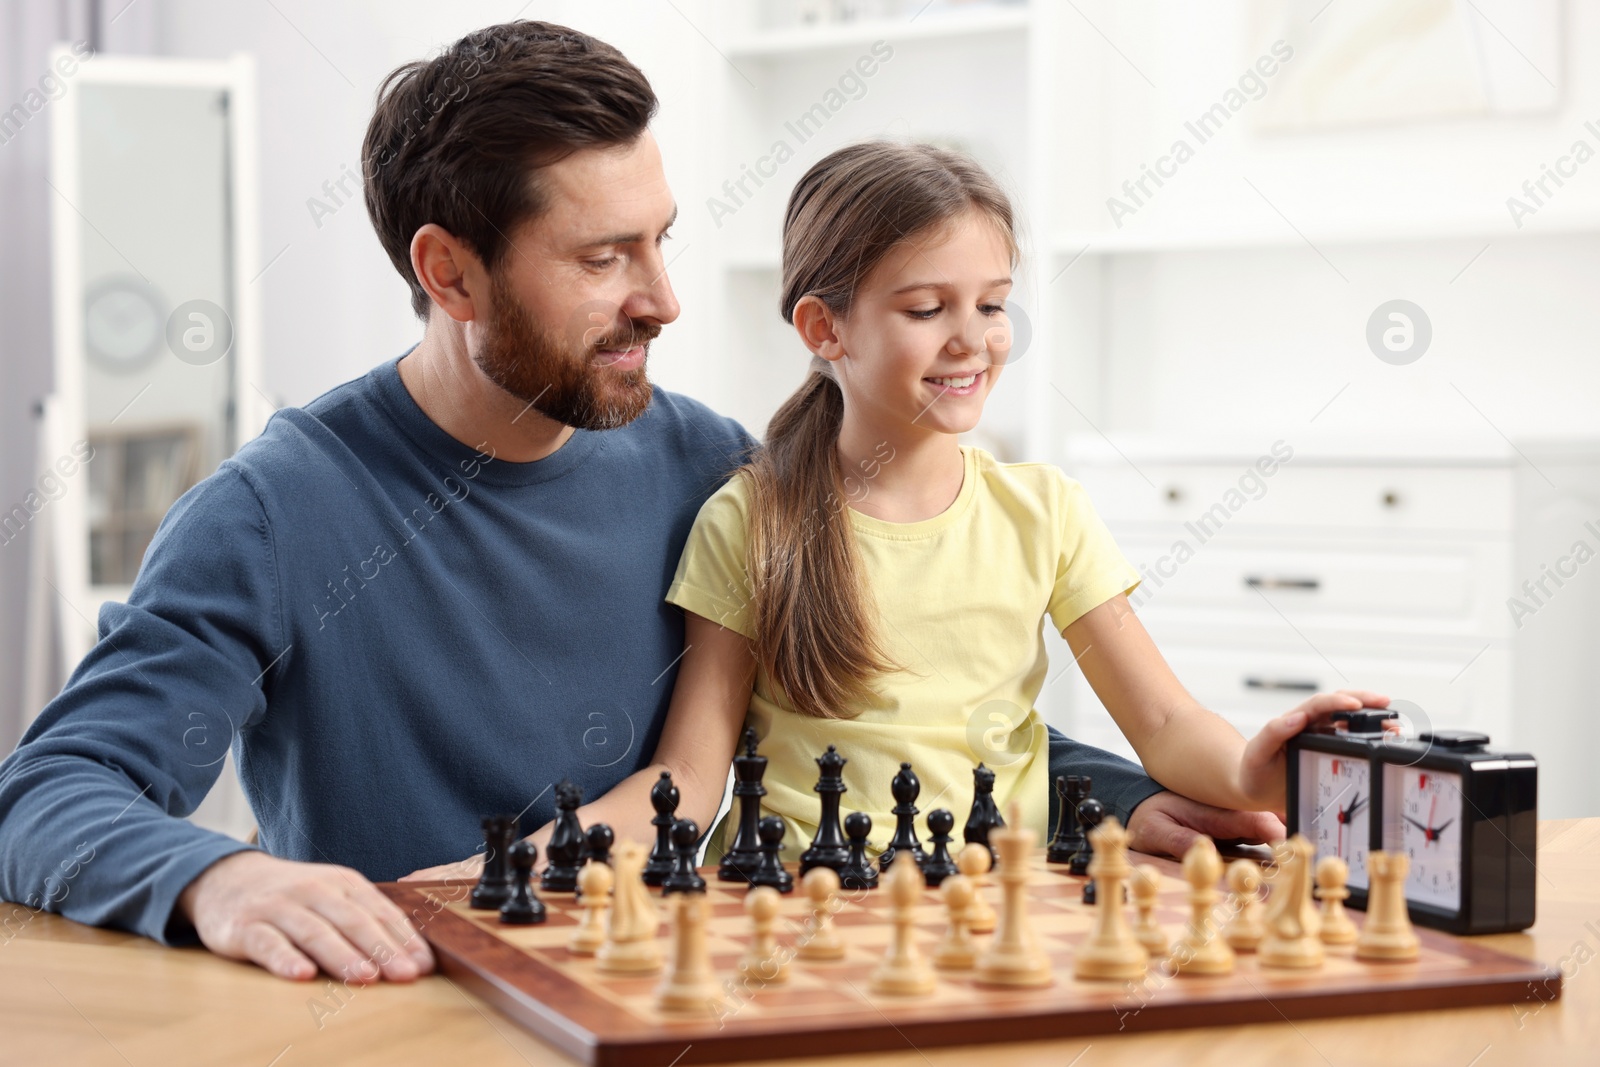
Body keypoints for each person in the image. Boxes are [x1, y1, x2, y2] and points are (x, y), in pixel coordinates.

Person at [0, 21, 1280, 986]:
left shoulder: (713, 467)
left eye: (661, 238)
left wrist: (1106, 796)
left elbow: (882, 721)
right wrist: (215, 875)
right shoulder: (276, 513)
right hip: (421, 1013)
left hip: (695, 997)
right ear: (448, 270)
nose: (664, 298)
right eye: (606, 257)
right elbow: (53, 790)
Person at [541, 140, 1388, 859]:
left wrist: (1252, 768)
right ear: (824, 329)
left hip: (989, 912)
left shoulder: (1043, 513)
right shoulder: (750, 519)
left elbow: (1164, 719)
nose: (972, 339)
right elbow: (688, 779)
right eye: (925, 307)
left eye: (991, 304)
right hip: (797, 913)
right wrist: (515, 857)